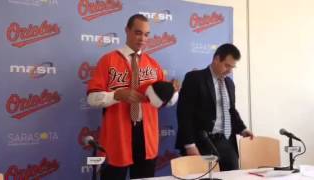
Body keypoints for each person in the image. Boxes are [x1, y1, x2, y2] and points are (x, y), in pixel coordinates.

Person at [87, 14, 178, 180]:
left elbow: (164, 101)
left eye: (146, 34)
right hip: (117, 137)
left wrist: (173, 93)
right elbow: (91, 98)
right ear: (126, 31)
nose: (142, 38)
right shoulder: (108, 61)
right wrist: (117, 95)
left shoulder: (154, 64)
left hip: (146, 136)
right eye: (138, 32)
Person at [175, 43, 254, 171]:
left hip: (226, 141)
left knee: (233, 176)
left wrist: (242, 129)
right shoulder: (195, 78)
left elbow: (231, 110)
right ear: (216, 59)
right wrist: (190, 145)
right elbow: (184, 114)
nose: (229, 71)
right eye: (227, 65)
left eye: (232, 67)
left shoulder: (229, 83)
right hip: (201, 142)